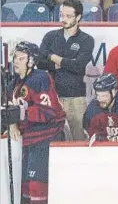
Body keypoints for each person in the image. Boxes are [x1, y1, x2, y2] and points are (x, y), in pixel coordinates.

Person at [2, 41, 66, 204]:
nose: (15, 61)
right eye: (15, 57)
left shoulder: (40, 78)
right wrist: (12, 123)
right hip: (28, 139)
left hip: (46, 137)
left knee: (36, 184)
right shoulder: (13, 84)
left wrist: (20, 114)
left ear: (31, 61)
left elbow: (49, 112)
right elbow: (8, 110)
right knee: (24, 185)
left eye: (21, 58)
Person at [38, 0, 95, 141]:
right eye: (62, 15)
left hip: (76, 97)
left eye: (68, 16)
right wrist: (63, 62)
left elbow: (77, 66)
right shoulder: (51, 36)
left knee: (79, 138)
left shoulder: (86, 40)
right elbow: (39, 62)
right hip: (53, 96)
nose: (63, 19)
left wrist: (52, 56)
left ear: (79, 17)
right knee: (53, 138)